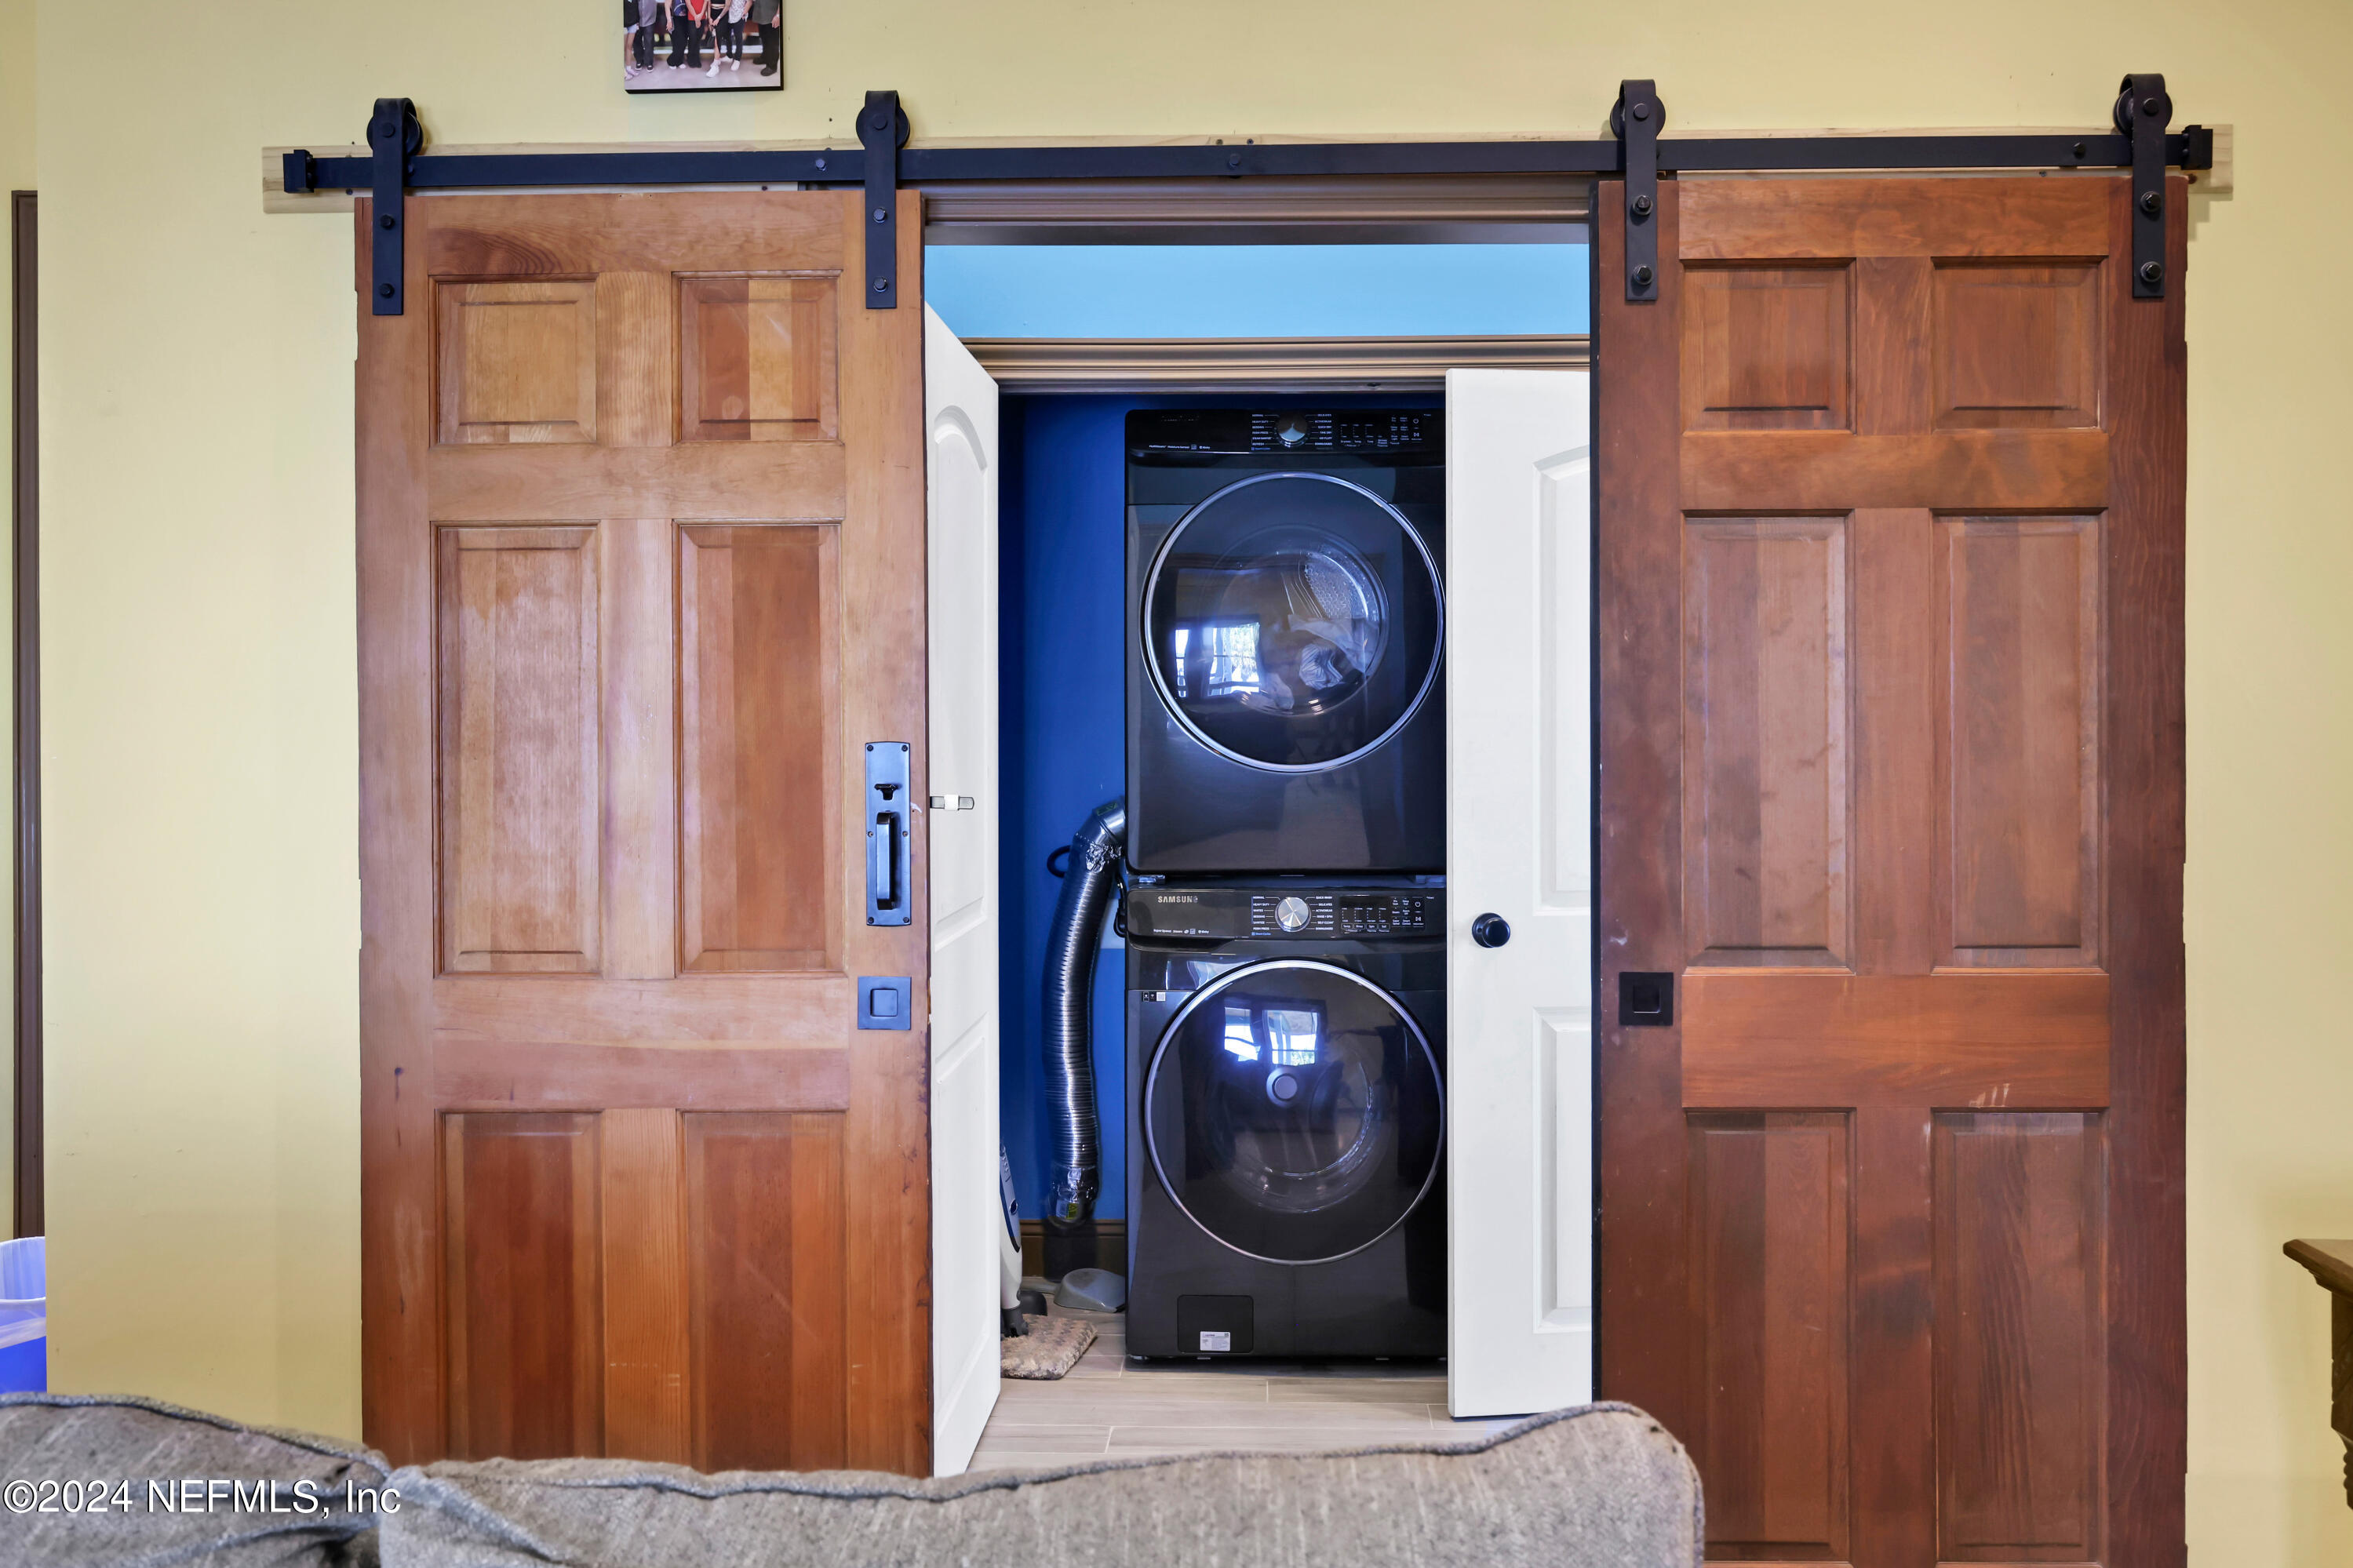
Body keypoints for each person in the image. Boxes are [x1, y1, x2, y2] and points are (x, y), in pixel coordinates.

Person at [752, 0, 780, 78]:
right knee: (764, 37)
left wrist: (778, 15)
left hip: (772, 14)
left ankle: (772, 66)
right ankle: (765, 57)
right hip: (761, 13)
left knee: (772, 40)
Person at [719, 0, 749, 72]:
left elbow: (749, 1)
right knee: (727, 35)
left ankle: (737, 59)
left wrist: (745, 12)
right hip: (728, 14)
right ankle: (729, 56)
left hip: (739, 15)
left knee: (738, 37)